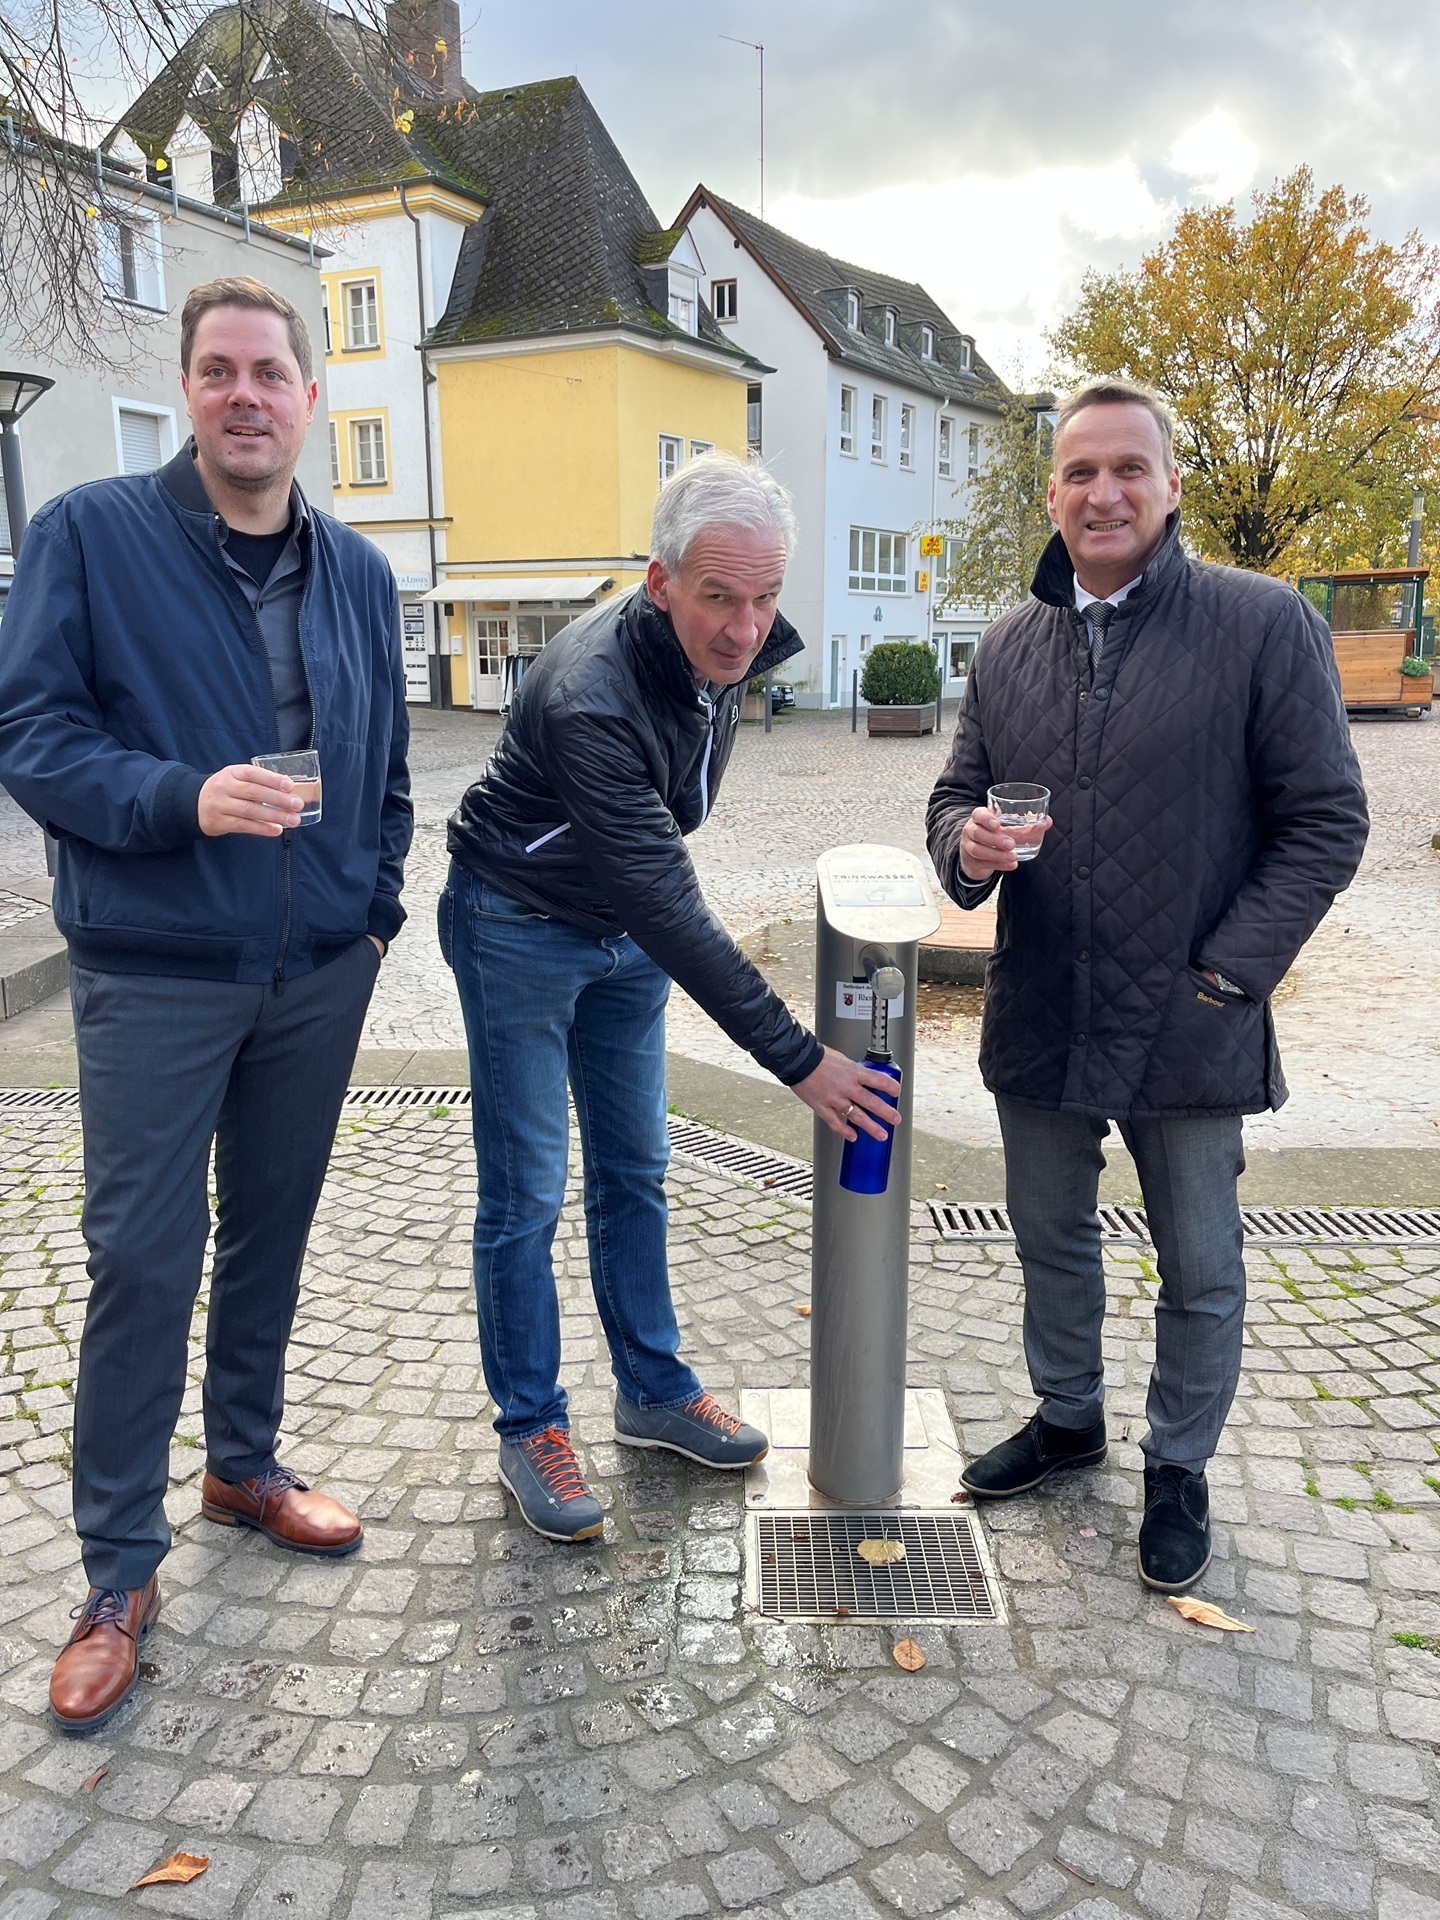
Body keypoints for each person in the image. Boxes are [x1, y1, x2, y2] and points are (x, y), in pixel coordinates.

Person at [0, 276, 412, 1730]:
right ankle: (117, 1571)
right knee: (139, 1261)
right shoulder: (92, 538)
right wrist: (180, 799)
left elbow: (390, 765)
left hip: (312, 977)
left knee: (272, 1235)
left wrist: (374, 913)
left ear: (310, 398)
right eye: (221, 371)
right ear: (190, 391)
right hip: (156, 971)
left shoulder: (358, 573)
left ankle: (244, 1463)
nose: (248, 395)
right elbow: (31, 738)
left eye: (272, 374)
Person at [927, 379, 1368, 1592]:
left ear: (1171, 485)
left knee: (1199, 1262)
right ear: (1052, 492)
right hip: (1045, 1004)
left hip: (1190, 1013)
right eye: (1079, 472)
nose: (1103, 492)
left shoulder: (1262, 623)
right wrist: (963, 846)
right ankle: (1069, 1418)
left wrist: (1229, 977)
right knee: (1050, 1236)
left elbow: (1326, 823)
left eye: (1129, 468)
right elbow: (953, 799)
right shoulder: (1011, 642)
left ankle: (1177, 1465)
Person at [443, 452, 899, 1541]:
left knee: (637, 1168)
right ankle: (530, 1425)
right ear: (660, 583)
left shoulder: (732, 652)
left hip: (620, 935)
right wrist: (800, 1058)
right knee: (527, 1191)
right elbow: (669, 899)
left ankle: (651, 1390)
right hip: (518, 925)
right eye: (719, 598)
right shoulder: (588, 693)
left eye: (766, 597)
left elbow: (657, 869)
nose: (747, 629)